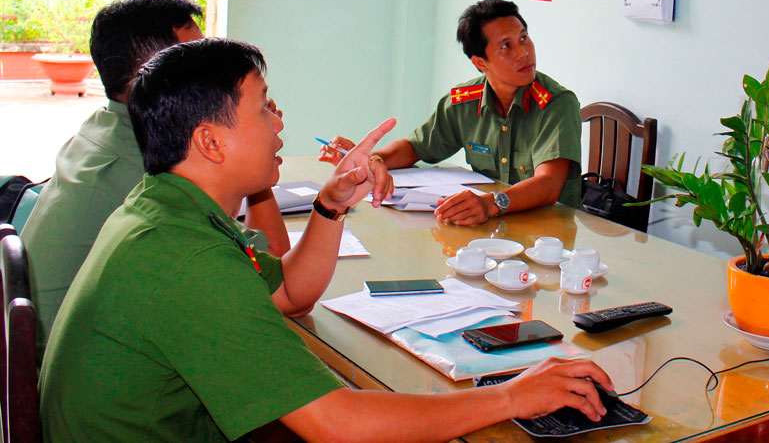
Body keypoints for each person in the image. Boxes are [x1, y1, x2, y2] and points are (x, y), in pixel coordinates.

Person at [39, 38, 612, 442]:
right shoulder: (185, 257)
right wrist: (514, 396)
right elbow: (339, 426)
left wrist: (331, 205)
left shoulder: (169, 211)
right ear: (211, 143)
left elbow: (290, 293)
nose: (279, 121)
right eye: (262, 107)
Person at [22, 0, 287, 355]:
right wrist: (257, 156)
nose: (215, 75)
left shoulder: (103, 130)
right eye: (194, 59)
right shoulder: (153, 169)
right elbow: (277, 276)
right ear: (154, 73)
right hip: (89, 382)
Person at [324, 0, 582, 227]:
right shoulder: (463, 102)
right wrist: (374, 160)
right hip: (491, 227)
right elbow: (417, 146)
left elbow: (548, 186)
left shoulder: (556, 104)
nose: (523, 53)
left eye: (524, 38)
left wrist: (490, 204)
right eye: (506, 46)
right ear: (480, 63)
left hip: (548, 233)